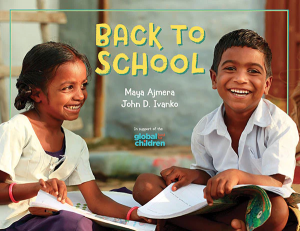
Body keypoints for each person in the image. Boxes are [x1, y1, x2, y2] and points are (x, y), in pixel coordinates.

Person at [133, 29, 299, 231]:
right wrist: (193, 175)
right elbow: (209, 176)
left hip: (254, 206)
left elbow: (276, 183)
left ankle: (182, 223)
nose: (240, 79)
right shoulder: (204, 128)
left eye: (253, 71)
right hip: (215, 205)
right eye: (230, 68)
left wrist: (238, 176)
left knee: (277, 210)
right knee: (145, 184)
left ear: (266, 85)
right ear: (214, 78)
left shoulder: (280, 125)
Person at [0, 42, 149, 230]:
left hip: (50, 216)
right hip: (14, 222)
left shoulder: (76, 144)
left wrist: (135, 215)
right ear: (37, 94)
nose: (80, 95)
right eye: (68, 87)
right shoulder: (15, 130)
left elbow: (95, 200)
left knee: (120, 197)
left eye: (83, 85)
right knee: (73, 223)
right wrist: (37, 189)